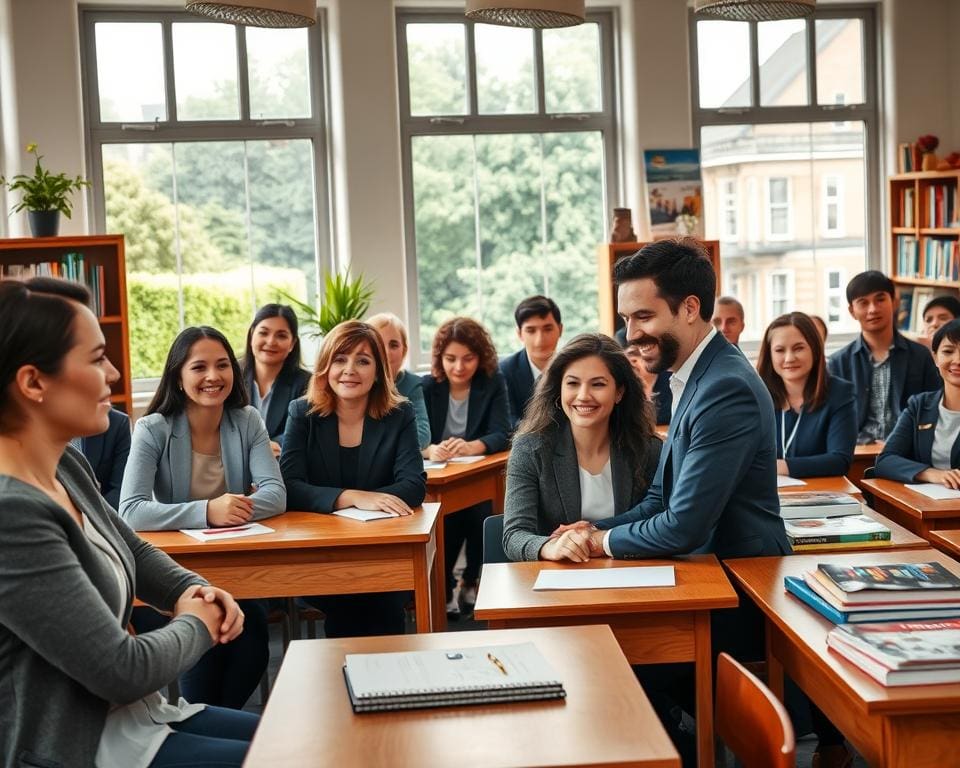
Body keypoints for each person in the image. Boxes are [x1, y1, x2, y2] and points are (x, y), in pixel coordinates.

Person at [0, 278, 257, 768]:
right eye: (97, 359)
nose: (115, 373)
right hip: (80, 747)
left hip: (142, 718)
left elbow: (133, 550)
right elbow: (121, 668)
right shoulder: (11, 512)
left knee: (310, 735)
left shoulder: (65, 467)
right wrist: (199, 621)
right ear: (33, 382)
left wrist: (191, 588)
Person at [570, 239, 794, 766]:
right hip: (703, 573)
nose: (632, 334)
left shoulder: (725, 387)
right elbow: (659, 496)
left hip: (738, 589)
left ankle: (677, 749)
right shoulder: (691, 376)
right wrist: (589, 528)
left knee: (606, 661)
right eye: (627, 318)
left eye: (644, 316)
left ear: (690, 308)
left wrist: (601, 541)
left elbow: (684, 525)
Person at [119, 326, 286, 709]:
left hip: (240, 564)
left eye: (223, 365)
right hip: (178, 569)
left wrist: (232, 510)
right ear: (178, 376)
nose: (213, 376)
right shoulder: (153, 428)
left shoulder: (247, 420)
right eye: (199, 367)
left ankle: (213, 720)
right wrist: (208, 511)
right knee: (206, 636)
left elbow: (275, 495)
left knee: (252, 637)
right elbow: (130, 510)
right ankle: (208, 722)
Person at [280, 320, 426, 637]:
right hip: (321, 553)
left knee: (382, 602)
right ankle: (348, 680)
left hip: (381, 552)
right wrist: (354, 496)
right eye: (340, 359)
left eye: (363, 360)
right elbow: (289, 487)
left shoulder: (400, 414)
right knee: (348, 601)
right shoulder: (301, 413)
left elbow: (414, 485)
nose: (350, 370)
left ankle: (383, 684)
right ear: (325, 367)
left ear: (378, 372)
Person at [502, 333, 662, 562]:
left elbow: (658, 519)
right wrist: (550, 547)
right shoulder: (530, 449)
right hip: (558, 577)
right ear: (559, 389)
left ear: (619, 392)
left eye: (598, 384)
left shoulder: (648, 449)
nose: (583, 396)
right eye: (573, 383)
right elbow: (513, 536)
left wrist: (594, 532)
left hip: (628, 571)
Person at [422, 317, 510, 616]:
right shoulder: (426, 386)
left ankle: (471, 580)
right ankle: (444, 586)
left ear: (480, 357)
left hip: (476, 474)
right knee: (445, 519)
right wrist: (430, 449)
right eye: (450, 359)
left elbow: (502, 432)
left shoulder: (493, 382)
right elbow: (412, 438)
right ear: (439, 359)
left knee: (480, 512)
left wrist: (474, 445)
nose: (459, 367)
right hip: (438, 478)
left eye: (468, 359)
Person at [828, 271, 940, 444]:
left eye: (880, 299)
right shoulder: (839, 363)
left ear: (895, 302)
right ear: (852, 311)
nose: (873, 309)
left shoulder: (919, 355)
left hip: (909, 448)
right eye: (863, 303)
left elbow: (935, 407)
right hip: (857, 450)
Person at [756, 312, 857, 478]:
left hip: (822, 496)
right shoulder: (757, 396)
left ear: (815, 349)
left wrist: (778, 467)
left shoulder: (840, 393)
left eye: (799, 348)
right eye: (780, 350)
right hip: (765, 495)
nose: (789, 358)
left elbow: (839, 461)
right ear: (770, 355)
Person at [876, 319, 960, 487]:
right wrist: (931, 474)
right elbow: (885, 461)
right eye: (948, 351)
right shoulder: (919, 405)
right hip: (927, 504)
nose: (957, 360)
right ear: (935, 357)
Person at [241, 303, 311, 458]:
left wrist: (273, 444)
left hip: (282, 463)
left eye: (281, 335)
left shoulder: (307, 383)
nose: (271, 341)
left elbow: (304, 430)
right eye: (263, 333)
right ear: (252, 334)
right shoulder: (231, 376)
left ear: (292, 343)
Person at [367, 311, 431, 448]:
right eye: (378, 344)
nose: (386, 352)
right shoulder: (358, 385)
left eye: (394, 345)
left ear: (404, 351)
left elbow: (423, 435)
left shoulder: (412, 384)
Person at [499, 295, 563, 428]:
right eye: (531, 330)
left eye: (548, 329)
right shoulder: (504, 371)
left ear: (560, 329)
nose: (539, 340)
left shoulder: (573, 368)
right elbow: (507, 420)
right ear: (519, 334)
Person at [74, 406, 131, 509]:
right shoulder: (38, 422)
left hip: (96, 516)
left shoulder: (116, 422)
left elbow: (122, 491)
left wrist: (86, 514)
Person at [624, 341, 672, 426]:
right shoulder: (624, 389)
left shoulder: (671, 381)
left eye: (640, 356)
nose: (633, 361)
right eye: (629, 358)